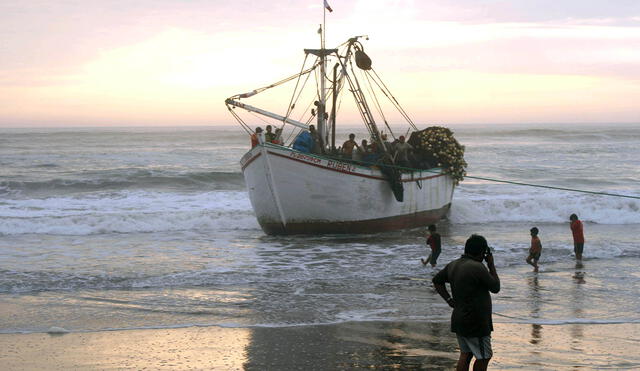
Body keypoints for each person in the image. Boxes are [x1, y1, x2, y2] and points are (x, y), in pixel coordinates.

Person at [433, 234, 500, 371]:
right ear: (482, 252)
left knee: (466, 354)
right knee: (484, 356)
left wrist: (449, 300)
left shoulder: (453, 264)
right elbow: (495, 287)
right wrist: (491, 264)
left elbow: (437, 280)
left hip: (459, 318)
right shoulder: (477, 267)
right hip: (475, 322)